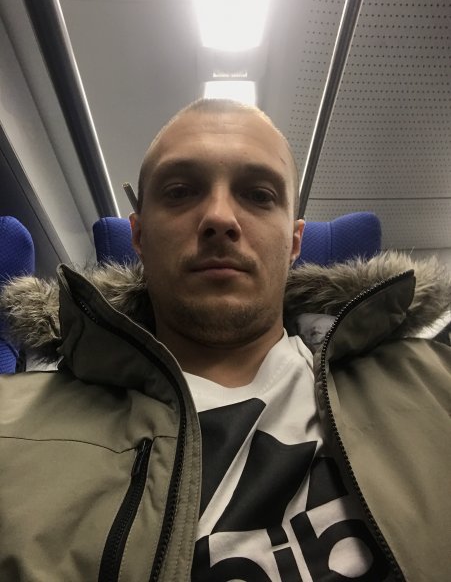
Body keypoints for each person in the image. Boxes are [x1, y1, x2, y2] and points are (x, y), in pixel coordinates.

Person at [0, 98, 450, 582]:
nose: (219, 217)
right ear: (139, 236)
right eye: (180, 191)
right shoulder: (12, 429)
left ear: (294, 241)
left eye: (258, 195)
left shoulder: (434, 382)